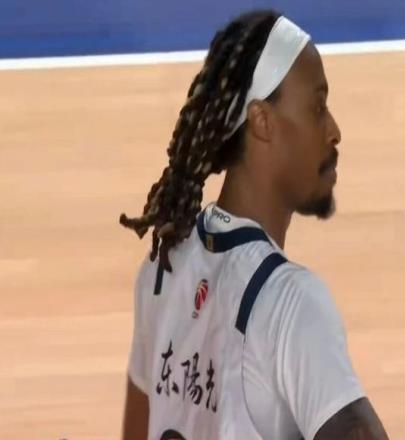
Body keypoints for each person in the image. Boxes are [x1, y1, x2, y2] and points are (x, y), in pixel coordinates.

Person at [120, 9, 389, 440]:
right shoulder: (289, 304)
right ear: (262, 120)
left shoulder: (160, 271)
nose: (334, 130)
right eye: (318, 107)